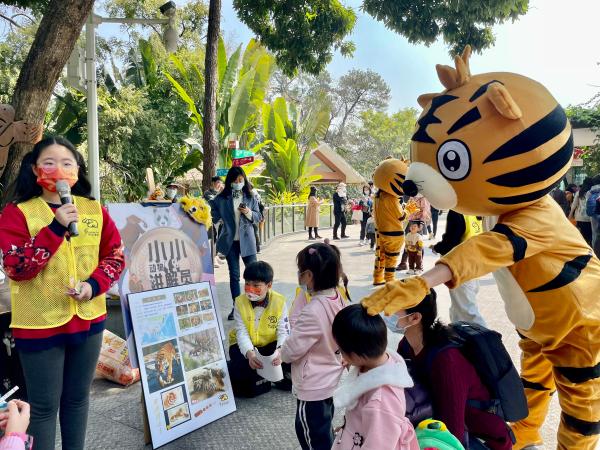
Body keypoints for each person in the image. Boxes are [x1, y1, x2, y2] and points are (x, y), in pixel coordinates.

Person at [0, 137, 125, 450]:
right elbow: (16, 267)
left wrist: (93, 285)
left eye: (67, 163)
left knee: (77, 400)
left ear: (77, 170)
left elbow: (115, 255)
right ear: (35, 169)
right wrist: (55, 228)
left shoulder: (94, 210)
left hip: (89, 320)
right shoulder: (17, 213)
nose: (58, 170)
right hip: (39, 325)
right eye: (49, 163)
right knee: (42, 408)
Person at [390, 291, 512, 450]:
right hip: (439, 421)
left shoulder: (447, 360)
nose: (387, 312)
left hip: (480, 438)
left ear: (414, 318)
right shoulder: (407, 344)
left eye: (392, 307)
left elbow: (453, 432)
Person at [281, 243, 346, 450]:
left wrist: (281, 353)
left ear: (308, 275)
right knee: (323, 430)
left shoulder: (313, 310)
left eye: (300, 271)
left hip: (311, 387)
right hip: (329, 379)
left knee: (311, 437)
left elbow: (291, 351)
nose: (298, 276)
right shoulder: (337, 296)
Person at [331, 304, 419, 450]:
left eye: (340, 350)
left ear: (355, 354)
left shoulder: (380, 401)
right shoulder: (381, 360)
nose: (340, 354)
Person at [227, 261, 291, 397]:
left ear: (269, 285)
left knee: (289, 376)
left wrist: (280, 351)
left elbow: (284, 331)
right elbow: (241, 332)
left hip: (269, 344)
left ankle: (272, 375)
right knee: (247, 390)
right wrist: (250, 354)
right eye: (247, 284)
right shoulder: (239, 302)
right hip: (243, 346)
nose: (250, 289)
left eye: (256, 285)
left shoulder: (279, 302)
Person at [210, 167, 262, 320]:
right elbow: (213, 215)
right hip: (230, 242)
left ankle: (255, 304)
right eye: (235, 180)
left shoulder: (251, 196)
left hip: (248, 241)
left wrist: (248, 212)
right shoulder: (221, 198)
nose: (238, 183)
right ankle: (237, 307)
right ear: (230, 181)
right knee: (234, 275)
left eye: (241, 180)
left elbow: (258, 217)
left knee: (253, 274)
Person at [431, 210, 486, 327]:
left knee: (468, 310)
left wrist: (437, 247)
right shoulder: (478, 210)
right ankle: (456, 332)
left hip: (460, 267)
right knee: (459, 305)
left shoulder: (458, 212)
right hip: (475, 265)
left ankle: (486, 341)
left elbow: (450, 242)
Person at [569, 177, 593, 245]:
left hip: (580, 217)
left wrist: (570, 215)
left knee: (582, 234)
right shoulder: (592, 192)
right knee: (590, 235)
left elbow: (574, 205)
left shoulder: (579, 192)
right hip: (590, 218)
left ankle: (583, 247)